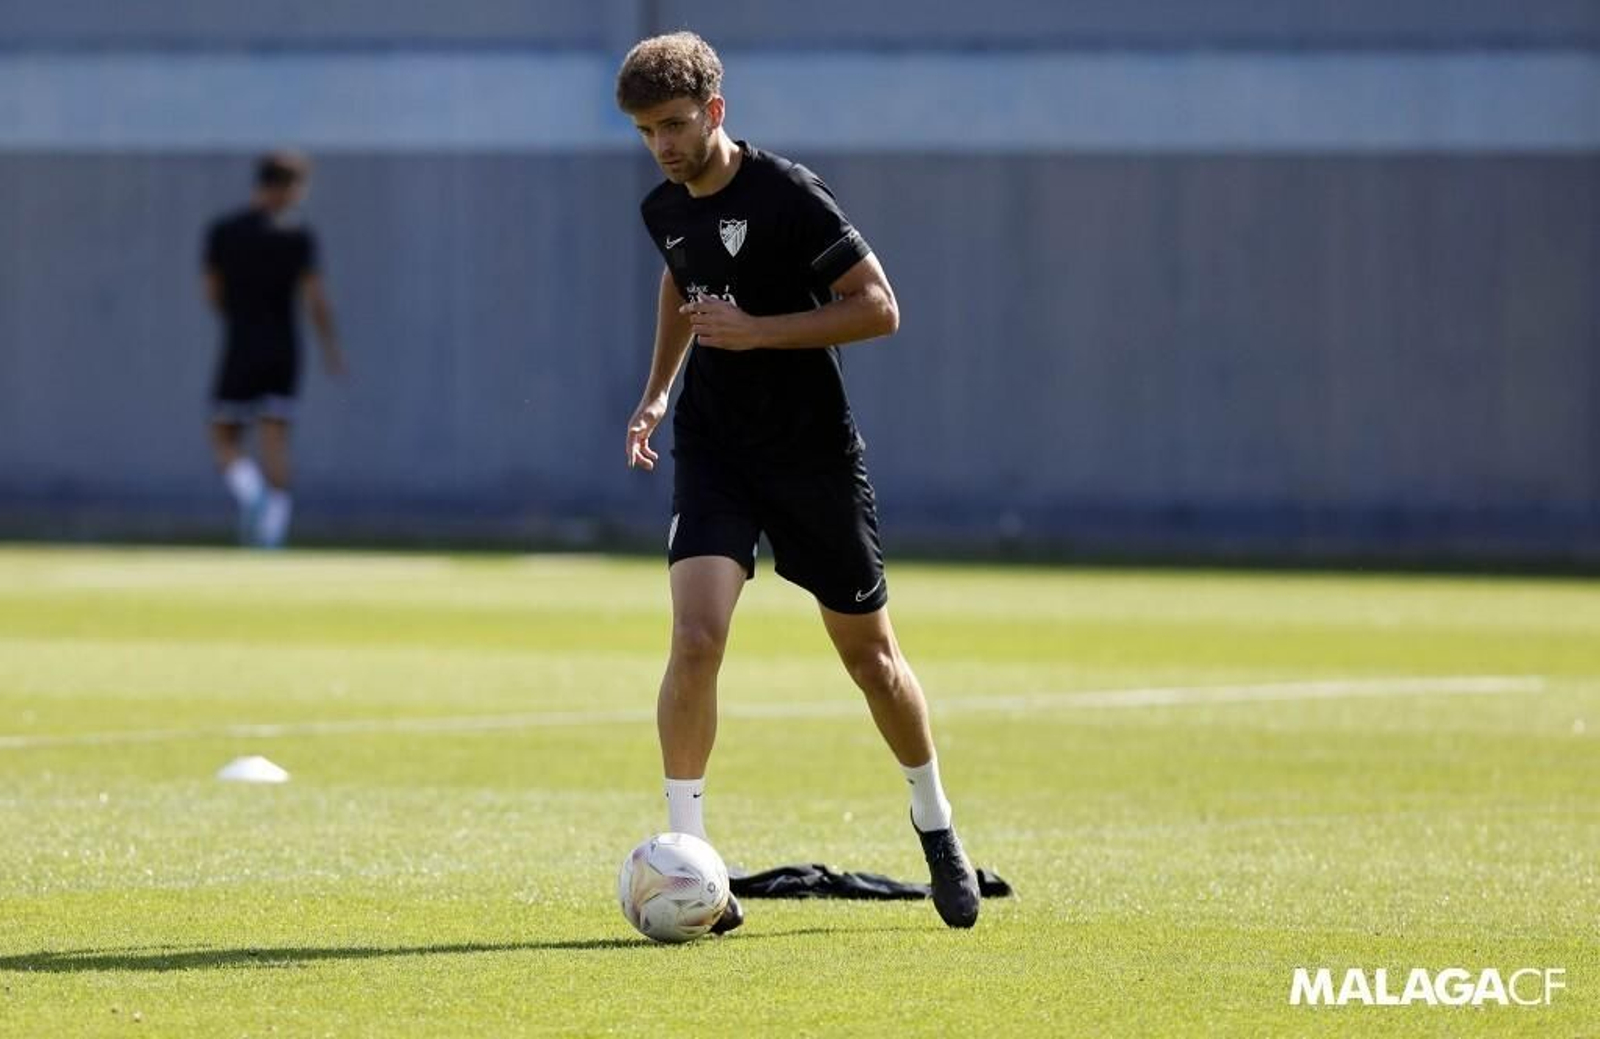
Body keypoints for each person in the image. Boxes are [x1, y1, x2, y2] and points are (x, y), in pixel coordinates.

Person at [616, 32, 980, 933]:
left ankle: (935, 824)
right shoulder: (663, 207)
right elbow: (682, 283)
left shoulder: (787, 193)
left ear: (715, 111)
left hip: (812, 454)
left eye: (673, 123)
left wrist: (757, 328)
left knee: (872, 661)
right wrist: (658, 391)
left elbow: (880, 307)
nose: (661, 144)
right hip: (716, 450)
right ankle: (696, 866)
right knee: (696, 637)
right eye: (644, 129)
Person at [201, 151, 344, 548]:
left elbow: (212, 292)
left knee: (224, 435)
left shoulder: (224, 231)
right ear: (283, 187)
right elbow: (316, 299)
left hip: (241, 344)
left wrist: (239, 317)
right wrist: (331, 347)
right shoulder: (298, 237)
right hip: (283, 349)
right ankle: (272, 530)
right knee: (275, 437)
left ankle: (253, 496)